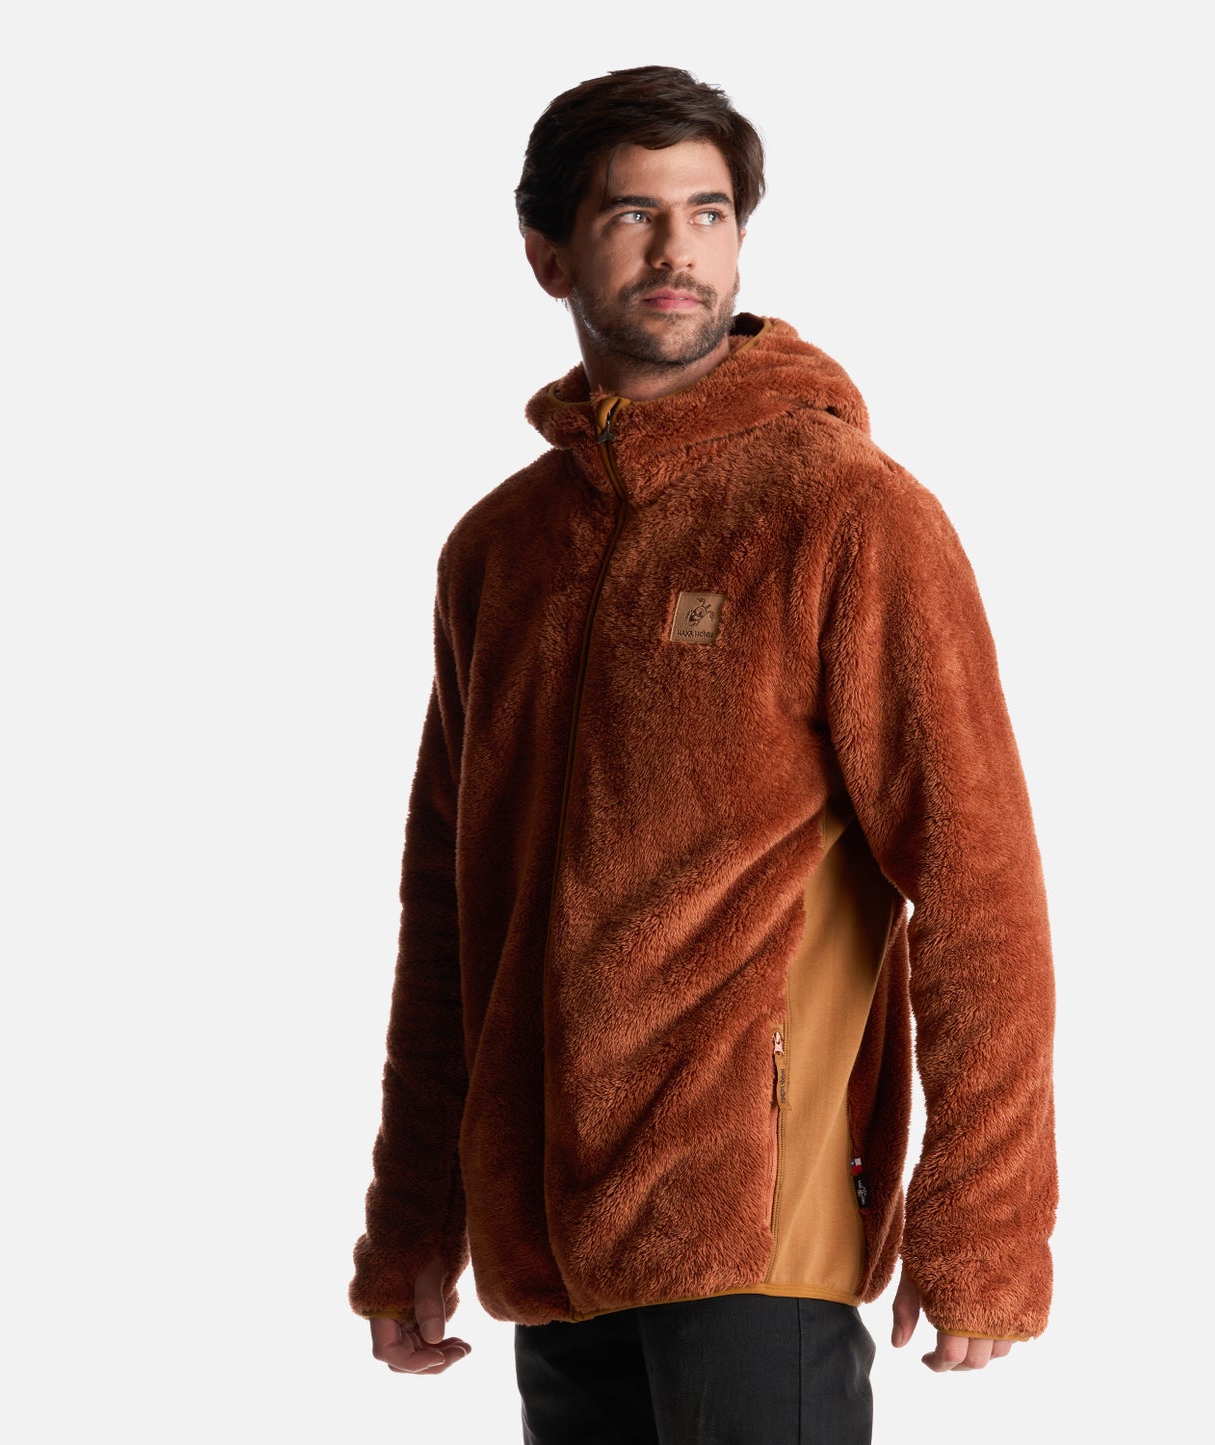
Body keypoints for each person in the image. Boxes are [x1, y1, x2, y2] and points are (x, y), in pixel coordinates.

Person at [351, 65, 1057, 1444]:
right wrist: (415, 1218)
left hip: (754, 1216)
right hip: (552, 1230)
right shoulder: (499, 552)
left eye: (710, 212)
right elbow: (451, 915)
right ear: (548, 254)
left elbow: (978, 883)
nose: (679, 251)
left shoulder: (845, 512)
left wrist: (985, 1218)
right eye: (633, 215)